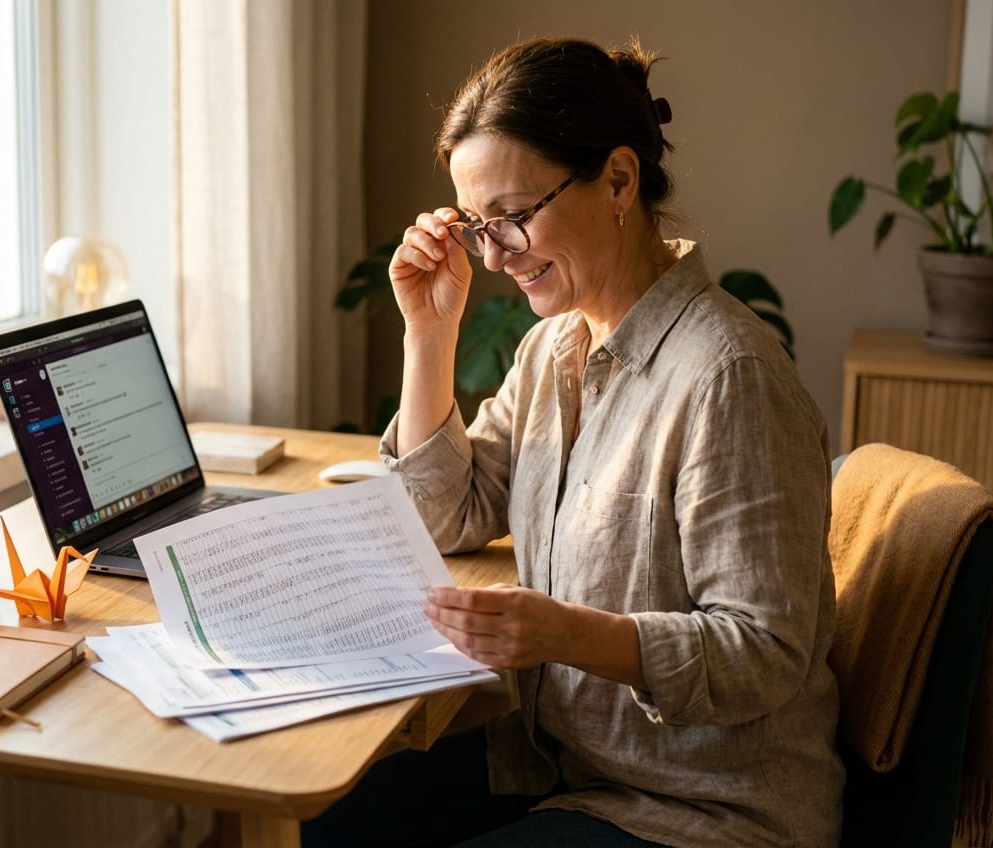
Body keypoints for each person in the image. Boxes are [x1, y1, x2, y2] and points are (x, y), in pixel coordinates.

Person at [303, 36, 844, 847]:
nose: (493, 258)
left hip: (704, 813)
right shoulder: (555, 347)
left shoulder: (729, 378)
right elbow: (448, 515)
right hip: (565, 767)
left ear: (619, 180)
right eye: (477, 227)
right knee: (321, 823)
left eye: (514, 218)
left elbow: (763, 652)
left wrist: (565, 634)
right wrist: (429, 334)